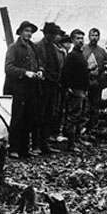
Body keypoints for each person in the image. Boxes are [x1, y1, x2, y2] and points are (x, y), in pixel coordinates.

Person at [5, 21, 44, 159]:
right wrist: (24, 72)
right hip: (19, 88)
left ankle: (24, 148)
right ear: (20, 32)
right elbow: (8, 68)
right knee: (18, 118)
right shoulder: (14, 48)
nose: (29, 33)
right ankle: (13, 148)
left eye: (31, 31)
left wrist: (39, 71)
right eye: (26, 31)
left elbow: (40, 64)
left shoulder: (34, 47)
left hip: (33, 87)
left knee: (29, 118)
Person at [34, 22, 64, 155]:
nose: (58, 37)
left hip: (53, 86)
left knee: (49, 115)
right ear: (48, 35)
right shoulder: (39, 47)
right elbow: (40, 65)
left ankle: (45, 144)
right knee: (39, 115)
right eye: (55, 34)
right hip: (43, 86)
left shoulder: (55, 47)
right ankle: (36, 145)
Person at [61, 29, 89, 153]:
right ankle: (71, 144)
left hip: (82, 89)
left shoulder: (80, 54)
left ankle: (77, 140)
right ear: (72, 40)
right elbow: (66, 73)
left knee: (80, 116)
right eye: (77, 38)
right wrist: (69, 88)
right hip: (75, 90)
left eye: (82, 38)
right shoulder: (72, 56)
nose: (80, 41)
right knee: (73, 116)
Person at [82, 28, 107, 132]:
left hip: (97, 82)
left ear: (99, 37)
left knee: (95, 105)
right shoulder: (83, 49)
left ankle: (94, 128)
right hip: (85, 81)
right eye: (92, 35)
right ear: (89, 36)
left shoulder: (102, 51)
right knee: (85, 105)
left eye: (96, 36)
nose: (94, 38)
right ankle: (83, 128)